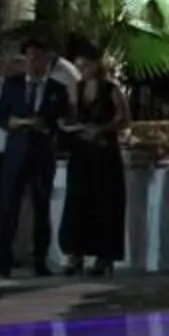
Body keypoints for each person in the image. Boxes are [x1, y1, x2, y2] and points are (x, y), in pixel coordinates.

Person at [0, 37, 67, 276]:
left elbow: (63, 121)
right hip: (16, 152)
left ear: (47, 61)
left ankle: (40, 260)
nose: (34, 63)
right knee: (9, 207)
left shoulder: (57, 89)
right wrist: (14, 122)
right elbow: (0, 116)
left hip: (42, 154)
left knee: (41, 208)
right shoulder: (13, 84)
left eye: (39, 58)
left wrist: (49, 127)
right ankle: (3, 259)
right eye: (30, 58)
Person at [58, 40, 130, 279]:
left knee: (105, 203)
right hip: (81, 152)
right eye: (79, 66)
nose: (83, 70)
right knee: (77, 201)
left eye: (86, 65)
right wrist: (69, 126)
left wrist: (102, 129)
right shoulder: (77, 88)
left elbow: (124, 119)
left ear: (96, 64)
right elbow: (70, 115)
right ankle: (75, 254)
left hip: (104, 153)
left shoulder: (111, 89)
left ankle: (104, 257)